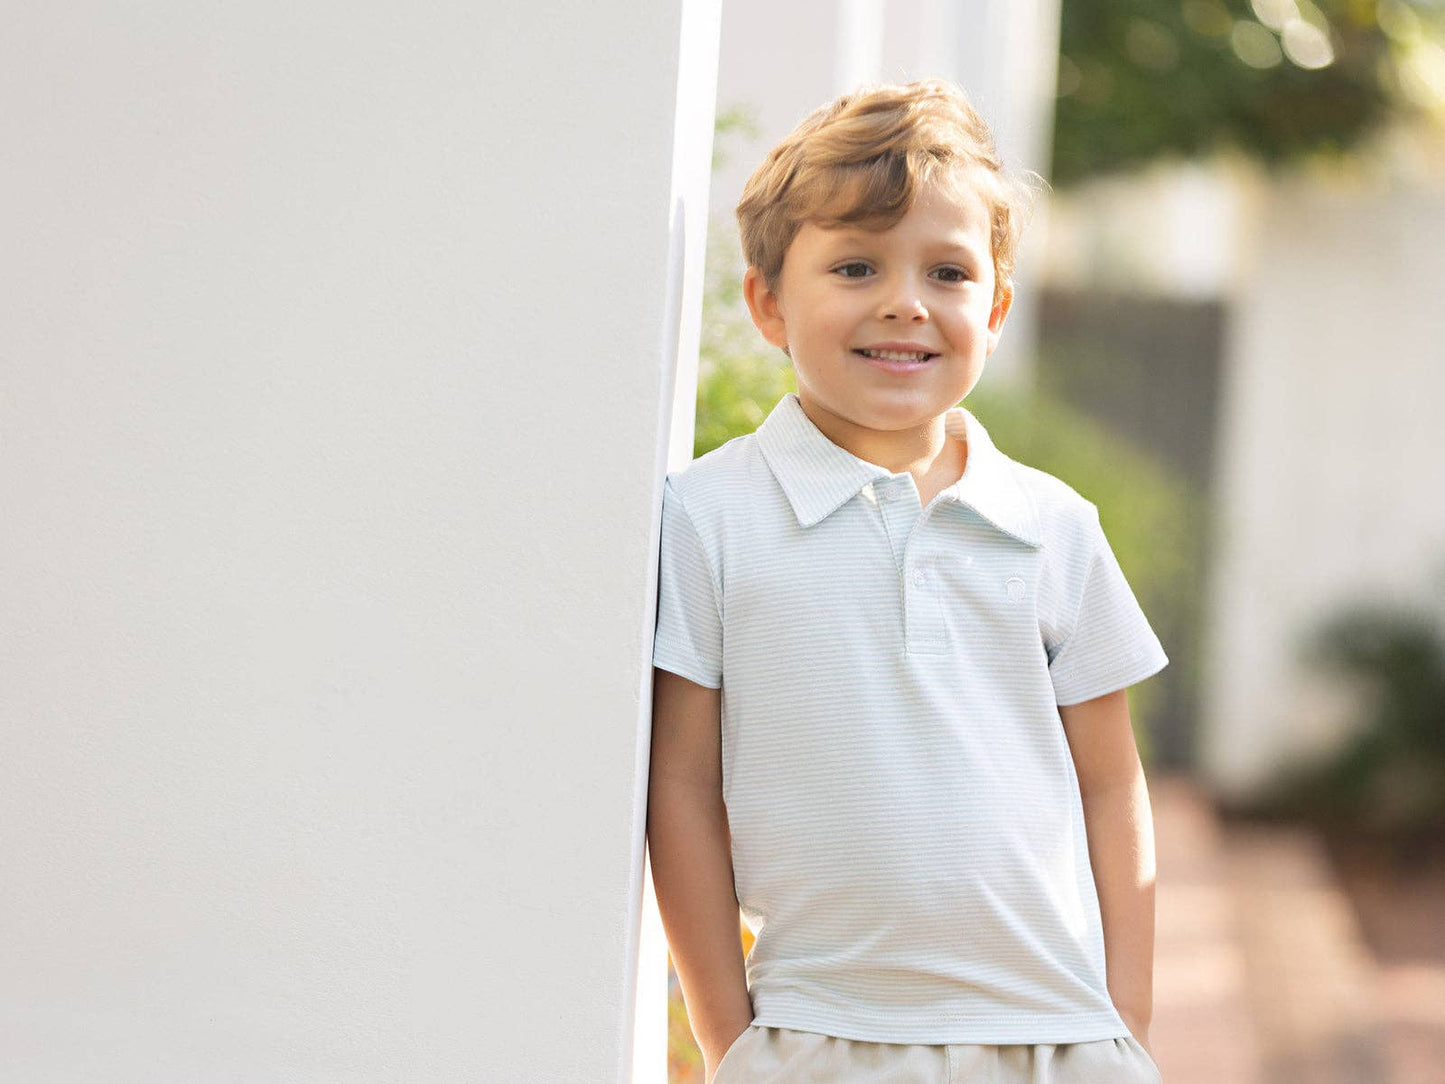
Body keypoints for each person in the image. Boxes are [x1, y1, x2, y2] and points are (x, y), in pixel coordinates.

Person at [648, 79, 1168, 1084]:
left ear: (996, 306)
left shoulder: (1052, 527)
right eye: (854, 265)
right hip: (817, 1035)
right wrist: (731, 1041)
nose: (904, 302)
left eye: (946, 271)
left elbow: (1112, 783)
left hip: (1054, 1037)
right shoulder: (708, 519)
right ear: (765, 303)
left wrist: (1125, 1023)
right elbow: (680, 784)